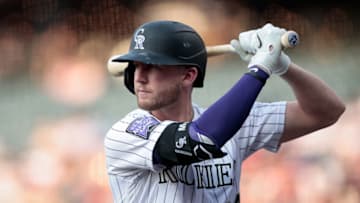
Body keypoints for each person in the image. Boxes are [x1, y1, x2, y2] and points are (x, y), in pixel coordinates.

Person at [104, 20, 345, 203]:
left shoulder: (233, 121)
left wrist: (282, 65)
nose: (139, 77)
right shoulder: (125, 133)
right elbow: (201, 140)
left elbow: (326, 111)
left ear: (188, 75)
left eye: (151, 66)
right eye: (136, 66)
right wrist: (260, 67)